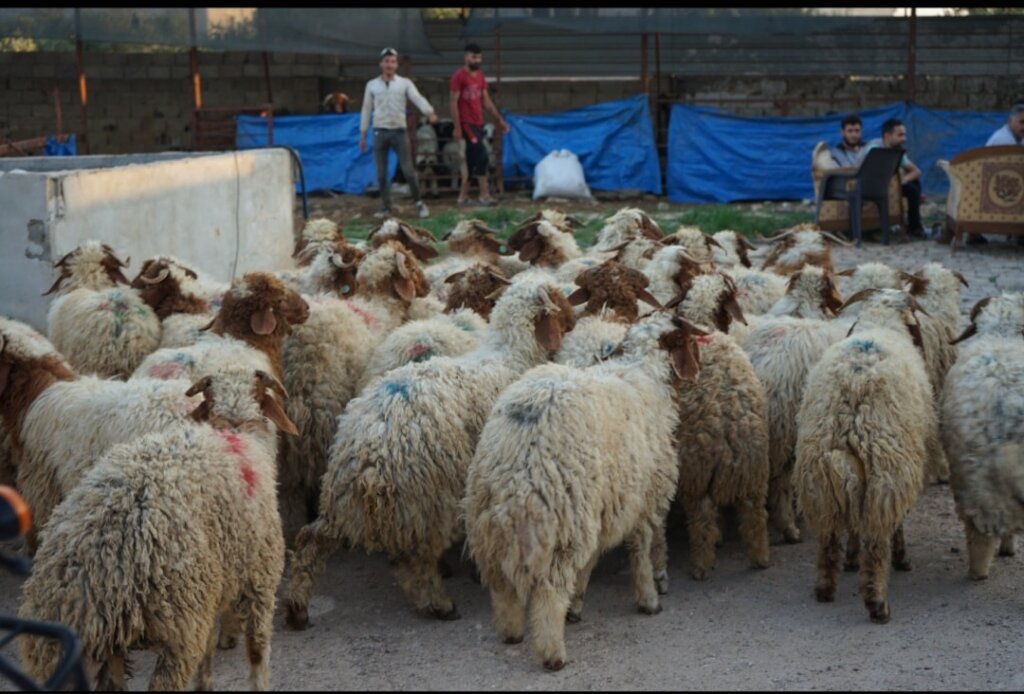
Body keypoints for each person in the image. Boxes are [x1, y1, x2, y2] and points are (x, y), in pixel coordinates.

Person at [359, 47, 437, 219]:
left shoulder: (404, 83)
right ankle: (386, 206)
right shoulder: (372, 85)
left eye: (393, 61)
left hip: (399, 131)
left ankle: (418, 202)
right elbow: (366, 109)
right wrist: (363, 134)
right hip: (380, 131)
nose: (389, 64)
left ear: (396, 64)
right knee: (381, 173)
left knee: (409, 170)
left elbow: (416, 97)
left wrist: (429, 111)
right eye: (386, 61)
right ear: (381, 64)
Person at [450, 43, 510, 207]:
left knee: (471, 161)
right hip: (466, 123)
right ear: (466, 57)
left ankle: (462, 197)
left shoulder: (481, 77)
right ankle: (484, 195)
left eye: (478, 57)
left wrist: (499, 120)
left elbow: (486, 101)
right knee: (482, 157)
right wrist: (457, 126)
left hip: (478, 122)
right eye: (473, 56)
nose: (476, 60)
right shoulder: (459, 76)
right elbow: (453, 102)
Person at [863, 118, 924, 238]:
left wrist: (904, 180)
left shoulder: (897, 151)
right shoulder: (874, 149)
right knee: (912, 189)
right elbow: (879, 173)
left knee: (914, 183)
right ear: (887, 136)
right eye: (900, 135)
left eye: (904, 135)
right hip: (871, 187)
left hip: (892, 186)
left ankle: (914, 228)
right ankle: (915, 228)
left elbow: (916, 171)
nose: (904, 139)